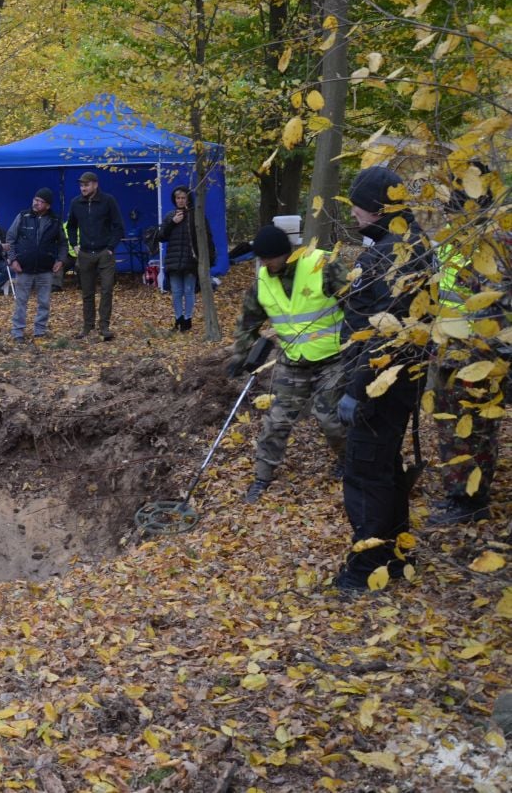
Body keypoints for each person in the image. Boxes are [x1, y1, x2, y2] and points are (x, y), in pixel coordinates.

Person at [334, 166, 433, 591]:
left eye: (356, 203)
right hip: (403, 380)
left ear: (374, 207)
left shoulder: (384, 256)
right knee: (386, 467)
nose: (352, 212)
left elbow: (379, 335)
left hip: (379, 384)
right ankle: (396, 555)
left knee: (364, 472)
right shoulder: (417, 244)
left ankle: (364, 570)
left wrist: (358, 392)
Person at [227, 224, 350, 503]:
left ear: (285, 254)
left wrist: (357, 347)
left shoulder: (322, 264)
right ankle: (262, 476)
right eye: (260, 258)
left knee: (330, 420)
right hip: (293, 361)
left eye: (269, 258)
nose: (264, 263)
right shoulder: (262, 280)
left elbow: (355, 304)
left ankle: (349, 460)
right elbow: (248, 322)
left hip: (332, 358)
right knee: (276, 420)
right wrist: (240, 355)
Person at [428, 173, 503, 525]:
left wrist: (487, 357)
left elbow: (497, 313)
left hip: (479, 359)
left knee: (477, 433)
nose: (450, 217)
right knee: (451, 432)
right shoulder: (449, 244)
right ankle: (459, 495)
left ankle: (473, 501)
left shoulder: (494, 247)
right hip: (447, 356)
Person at [65, 171, 124, 340]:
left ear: (95, 184)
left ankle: (104, 326)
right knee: (87, 292)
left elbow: (118, 226)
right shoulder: (76, 203)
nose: (83, 188)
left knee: (107, 289)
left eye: (86, 184)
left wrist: (111, 247)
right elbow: (70, 226)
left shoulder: (108, 201)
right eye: (81, 185)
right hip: (84, 253)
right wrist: (74, 245)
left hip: (104, 252)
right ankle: (87, 326)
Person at [5, 188, 65, 343]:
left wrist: (60, 260)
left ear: (48, 205)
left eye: (41, 201)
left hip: (45, 268)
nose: (36, 203)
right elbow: (10, 238)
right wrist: (12, 260)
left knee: (44, 301)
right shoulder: (23, 216)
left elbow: (63, 243)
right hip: (23, 267)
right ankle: (18, 332)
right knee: (21, 301)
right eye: (35, 199)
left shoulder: (55, 220)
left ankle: (40, 330)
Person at [159, 186, 215, 332]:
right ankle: (178, 319)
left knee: (189, 290)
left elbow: (207, 237)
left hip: (191, 259)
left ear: (188, 199)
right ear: (174, 199)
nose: (180, 200)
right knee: (176, 291)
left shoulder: (196, 215)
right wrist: (173, 222)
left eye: (183, 197)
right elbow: (161, 236)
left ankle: (188, 319)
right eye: (178, 198)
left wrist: (209, 258)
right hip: (173, 259)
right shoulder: (170, 216)